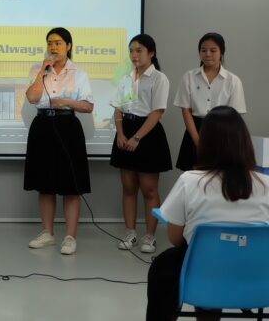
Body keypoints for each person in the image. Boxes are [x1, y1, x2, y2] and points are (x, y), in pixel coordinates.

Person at [146, 106, 269, 321]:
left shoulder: (189, 181)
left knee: (165, 265)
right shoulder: (266, 183)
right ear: (245, 142)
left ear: (205, 143)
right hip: (256, 275)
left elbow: (175, 238)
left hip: (203, 275)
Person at [24, 27, 94, 256]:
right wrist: (41, 72)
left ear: (68, 46)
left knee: (70, 186)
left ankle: (70, 237)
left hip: (68, 128)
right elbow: (33, 97)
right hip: (42, 127)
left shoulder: (79, 73)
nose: (53, 47)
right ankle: (47, 233)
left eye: (58, 43)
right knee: (45, 184)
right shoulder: (39, 69)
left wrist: (65, 101)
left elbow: (88, 106)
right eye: (50, 43)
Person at [110, 34, 172, 254]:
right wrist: (120, 134)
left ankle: (150, 236)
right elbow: (118, 108)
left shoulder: (159, 78)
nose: (134, 55)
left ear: (151, 53)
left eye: (139, 50)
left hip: (148, 134)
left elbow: (157, 112)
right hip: (125, 131)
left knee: (149, 189)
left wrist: (137, 138)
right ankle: (130, 232)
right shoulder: (126, 78)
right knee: (128, 188)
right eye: (131, 51)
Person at [174, 32, 246, 171]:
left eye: (213, 50)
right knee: (192, 177)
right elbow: (186, 110)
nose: (207, 54)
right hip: (194, 130)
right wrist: (197, 141)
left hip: (223, 132)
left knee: (219, 177)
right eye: (203, 50)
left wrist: (220, 142)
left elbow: (234, 116)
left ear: (221, 52)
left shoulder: (233, 81)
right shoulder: (189, 77)